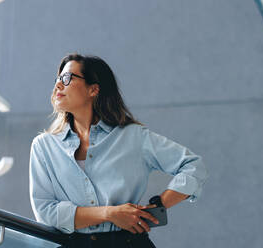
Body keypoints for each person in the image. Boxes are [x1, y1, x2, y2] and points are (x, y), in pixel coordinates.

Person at [29, 53, 208, 248]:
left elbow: (193, 165)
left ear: (93, 89)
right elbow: (45, 212)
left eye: (67, 78)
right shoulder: (43, 146)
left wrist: (158, 206)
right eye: (58, 79)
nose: (58, 85)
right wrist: (110, 214)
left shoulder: (133, 137)